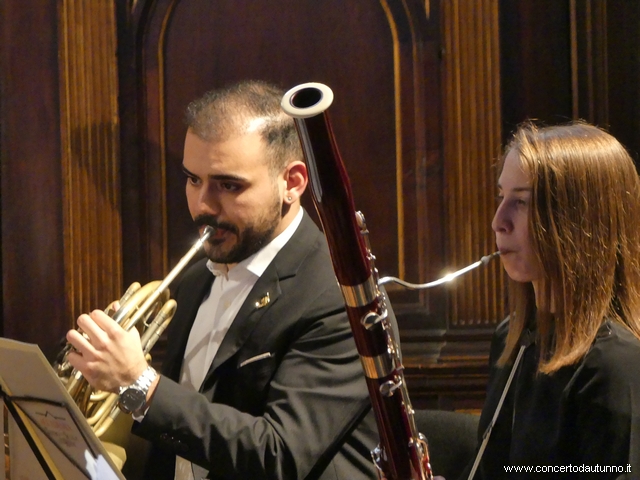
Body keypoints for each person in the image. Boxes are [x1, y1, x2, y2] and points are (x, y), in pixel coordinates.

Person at [65, 80, 379, 480]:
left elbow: (278, 455)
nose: (203, 206)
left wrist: (138, 383)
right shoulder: (197, 281)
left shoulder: (339, 297)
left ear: (293, 182)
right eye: (194, 180)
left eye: (229, 185)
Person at [465, 121, 640, 479]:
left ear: (578, 221)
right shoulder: (512, 339)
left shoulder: (615, 368)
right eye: (502, 197)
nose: (499, 221)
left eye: (522, 202)